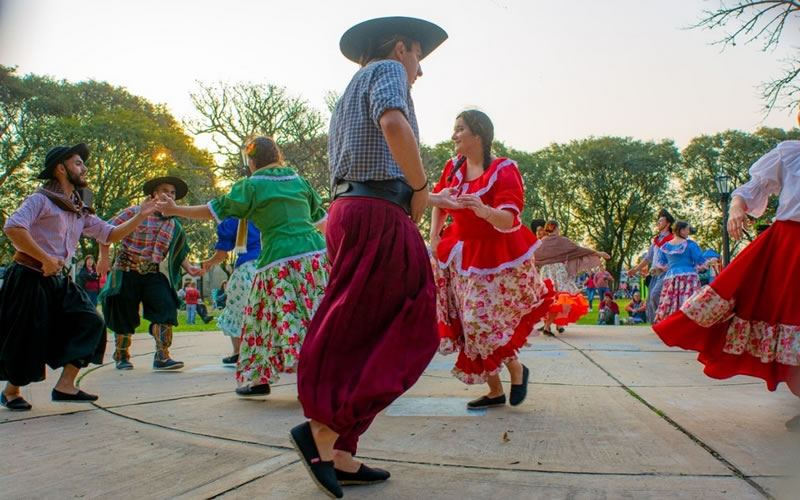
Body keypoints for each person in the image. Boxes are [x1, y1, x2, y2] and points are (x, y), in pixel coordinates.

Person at [280, 17, 452, 498]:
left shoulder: (351, 88)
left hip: (349, 209)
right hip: (379, 210)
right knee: (413, 322)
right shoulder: (389, 70)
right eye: (419, 57)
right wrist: (420, 188)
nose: (420, 71)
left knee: (358, 324)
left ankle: (339, 451)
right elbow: (394, 123)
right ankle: (323, 432)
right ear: (402, 49)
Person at [156, 136, 329, 398]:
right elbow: (323, 221)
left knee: (262, 320)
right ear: (278, 156)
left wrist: (175, 209)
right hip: (315, 257)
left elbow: (214, 210)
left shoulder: (250, 186)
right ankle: (328, 374)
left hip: (278, 260)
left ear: (250, 161)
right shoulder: (298, 180)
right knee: (317, 315)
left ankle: (257, 379)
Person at [653, 136, 800, 432]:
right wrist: (736, 207)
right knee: (783, 315)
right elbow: (755, 186)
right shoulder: (791, 151)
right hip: (791, 243)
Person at [0, 143, 157, 411]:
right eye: (77, 163)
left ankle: (65, 386)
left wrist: (140, 216)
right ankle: (11, 391)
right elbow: (13, 228)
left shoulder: (78, 209)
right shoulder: (40, 200)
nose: (84, 168)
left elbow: (109, 234)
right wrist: (45, 258)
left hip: (57, 279)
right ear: (60, 169)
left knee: (91, 321)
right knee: (27, 335)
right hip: (28, 276)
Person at [431, 109, 554, 409]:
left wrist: (484, 211)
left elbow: (510, 218)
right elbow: (439, 202)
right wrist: (434, 237)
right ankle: (495, 390)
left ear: (479, 134)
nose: (453, 135)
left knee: (480, 322)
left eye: (460, 129)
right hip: (460, 255)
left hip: (495, 258)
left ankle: (516, 370)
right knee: (469, 326)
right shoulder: (453, 168)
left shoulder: (503, 169)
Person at [98, 175, 203, 371]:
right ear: (154, 194)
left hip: (152, 271)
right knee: (124, 312)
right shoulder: (134, 212)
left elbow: (178, 251)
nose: (169, 195)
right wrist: (103, 258)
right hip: (127, 270)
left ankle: (162, 356)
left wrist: (189, 268)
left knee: (165, 306)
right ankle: (122, 355)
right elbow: (104, 232)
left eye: (172, 193)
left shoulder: (174, 224)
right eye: (164, 190)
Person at [534, 219, 608, 336]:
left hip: (546, 272)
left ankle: (557, 325)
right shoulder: (562, 241)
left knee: (551, 299)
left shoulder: (541, 243)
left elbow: (533, 257)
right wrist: (599, 253)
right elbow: (579, 250)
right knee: (561, 300)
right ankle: (548, 327)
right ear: (557, 228)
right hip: (558, 272)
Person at [202, 217, 261, 364]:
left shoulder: (235, 219)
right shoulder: (266, 212)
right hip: (268, 265)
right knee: (266, 310)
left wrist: (209, 262)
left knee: (236, 310)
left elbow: (221, 255)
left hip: (246, 268)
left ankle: (238, 351)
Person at [652, 221, 711, 324]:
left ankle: (672, 325)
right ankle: (688, 326)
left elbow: (662, 264)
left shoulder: (665, 246)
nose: (689, 232)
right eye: (687, 229)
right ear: (682, 230)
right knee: (689, 303)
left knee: (671, 301)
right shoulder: (690, 245)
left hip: (671, 278)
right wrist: (710, 262)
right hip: (688, 278)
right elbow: (700, 262)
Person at [627, 208, 675, 325]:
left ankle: (663, 321)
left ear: (668, 223)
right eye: (658, 221)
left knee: (655, 295)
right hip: (654, 275)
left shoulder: (672, 240)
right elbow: (648, 258)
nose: (658, 223)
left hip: (666, 274)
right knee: (650, 300)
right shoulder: (655, 241)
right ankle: (657, 324)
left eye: (661, 221)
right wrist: (635, 269)